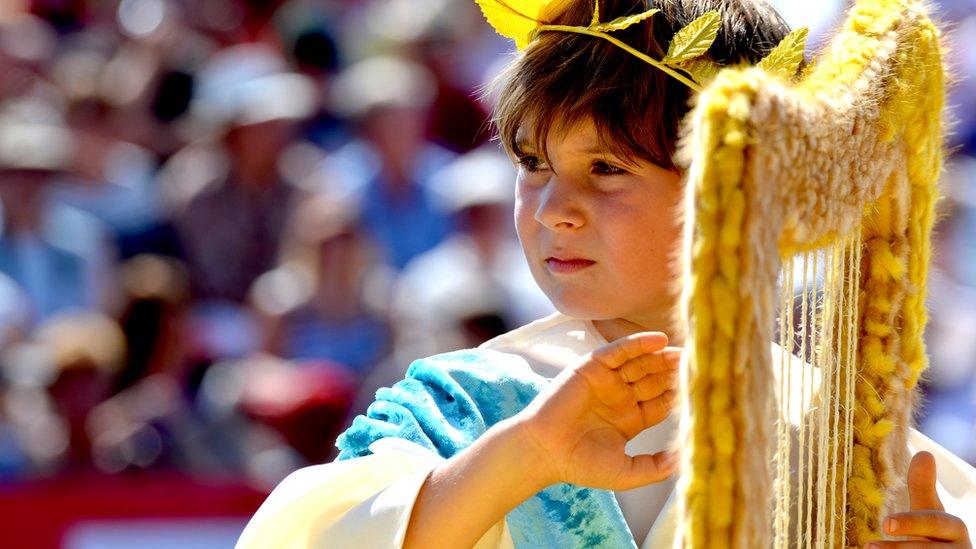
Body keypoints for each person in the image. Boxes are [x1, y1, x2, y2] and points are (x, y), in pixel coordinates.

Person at [237, 1, 976, 548]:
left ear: (737, 189)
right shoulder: (459, 407)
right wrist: (527, 454)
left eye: (606, 169)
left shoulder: (849, 440)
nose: (555, 208)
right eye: (533, 164)